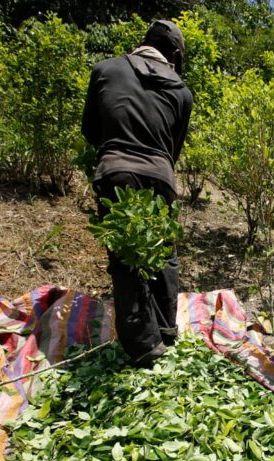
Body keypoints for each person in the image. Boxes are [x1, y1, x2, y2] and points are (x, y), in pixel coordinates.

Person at [82, 20, 193, 367]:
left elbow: (90, 130)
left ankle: (144, 347)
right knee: (163, 254)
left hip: (115, 171)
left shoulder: (105, 70)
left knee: (126, 259)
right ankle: (164, 329)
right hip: (161, 176)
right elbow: (171, 149)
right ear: (173, 55)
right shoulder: (181, 92)